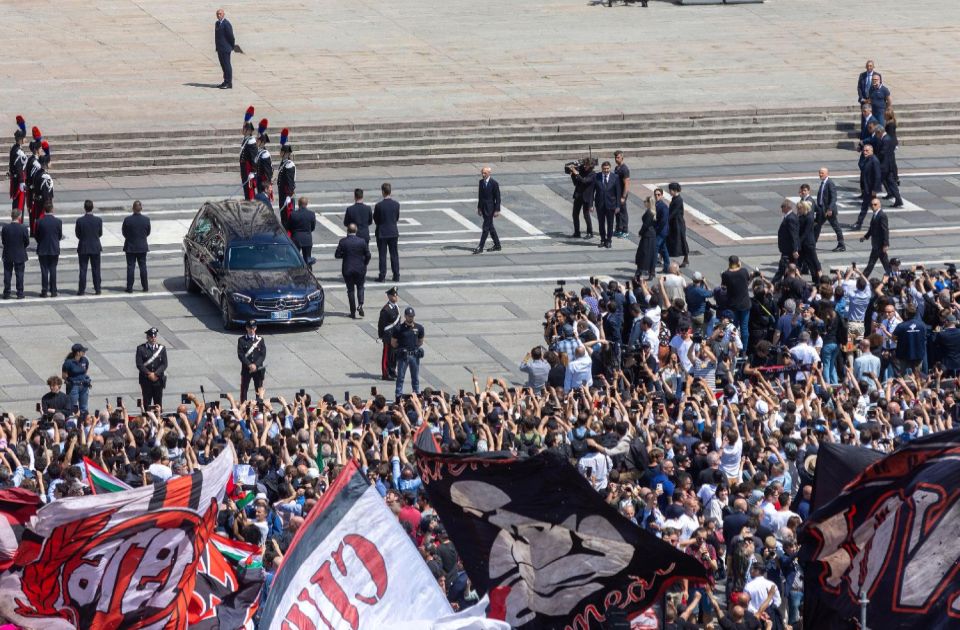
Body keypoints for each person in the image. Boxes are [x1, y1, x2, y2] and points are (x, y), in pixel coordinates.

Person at [334, 223, 371, 318]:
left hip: (347, 269)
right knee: (360, 287)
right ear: (356, 230)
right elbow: (368, 255)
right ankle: (360, 304)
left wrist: (345, 255)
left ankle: (353, 312)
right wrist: (365, 263)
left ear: (347, 231)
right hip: (360, 268)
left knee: (350, 290)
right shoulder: (362, 241)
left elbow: (337, 255)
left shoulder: (343, 242)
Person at [392, 306, 425, 401]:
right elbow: (393, 343)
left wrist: (414, 348)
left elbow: (420, 341)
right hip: (403, 356)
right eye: (409, 316)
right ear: (405, 316)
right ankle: (398, 395)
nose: (411, 318)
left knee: (415, 377)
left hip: (414, 355)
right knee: (400, 377)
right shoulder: (398, 328)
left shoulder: (419, 328)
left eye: (412, 316)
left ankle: (416, 394)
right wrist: (401, 349)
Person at [721, 256, 751, 348]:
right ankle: (744, 349)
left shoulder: (726, 274)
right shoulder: (744, 271)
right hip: (745, 304)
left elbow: (723, 287)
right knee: (744, 328)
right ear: (738, 262)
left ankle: (734, 347)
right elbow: (748, 281)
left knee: (733, 328)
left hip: (733, 305)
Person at [373, 182, 400, 283]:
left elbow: (375, 219)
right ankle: (396, 275)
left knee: (382, 255)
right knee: (394, 254)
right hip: (393, 232)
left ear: (383, 192)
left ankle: (382, 276)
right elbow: (396, 217)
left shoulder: (379, 206)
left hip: (382, 232)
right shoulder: (396, 204)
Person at [122, 200, 151, 292]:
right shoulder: (146, 220)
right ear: (141, 208)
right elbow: (148, 232)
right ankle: (145, 287)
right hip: (142, 246)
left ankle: (129, 287)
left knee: (130, 267)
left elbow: (124, 232)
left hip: (130, 246)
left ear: (133, 208)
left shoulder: (127, 220)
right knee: (143, 267)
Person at [75, 199, 102, 295]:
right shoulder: (98, 220)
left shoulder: (80, 221)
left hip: (83, 247)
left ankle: (81, 290)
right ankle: (98, 289)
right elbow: (100, 233)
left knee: (83, 269)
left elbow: (78, 234)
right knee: (96, 269)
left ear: (84, 208)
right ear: (92, 208)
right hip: (95, 247)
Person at [35, 202, 62, 297]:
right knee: (53, 269)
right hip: (54, 248)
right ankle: (53, 291)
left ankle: (44, 290)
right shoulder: (58, 221)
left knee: (44, 270)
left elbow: (36, 236)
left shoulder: (39, 221)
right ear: (52, 209)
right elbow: (59, 236)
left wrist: (41, 242)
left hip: (43, 248)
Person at [136, 327, 168, 408]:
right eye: (151, 337)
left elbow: (164, 364)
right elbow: (139, 364)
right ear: (147, 337)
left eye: (155, 337)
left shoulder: (161, 348)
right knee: (147, 402)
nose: (153, 339)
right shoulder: (141, 348)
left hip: (158, 380)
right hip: (146, 380)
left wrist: (156, 374)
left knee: (158, 402)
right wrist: (149, 374)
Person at [853, 143, 882, 230]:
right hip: (867, 187)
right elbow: (861, 166)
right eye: (864, 150)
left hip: (870, 188)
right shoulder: (867, 159)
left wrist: (874, 189)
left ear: (871, 151)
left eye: (867, 151)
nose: (864, 152)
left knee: (865, 206)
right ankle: (879, 222)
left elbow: (877, 176)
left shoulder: (874, 160)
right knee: (874, 206)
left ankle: (859, 224)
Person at [473, 166, 502, 254]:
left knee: (485, 228)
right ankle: (497, 245)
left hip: (490, 208)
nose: (483, 174)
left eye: (485, 173)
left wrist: (497, 210)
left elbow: (498, 197)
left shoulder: (494, 183)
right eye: (482, 173)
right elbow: (480, 196)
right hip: (483, 207)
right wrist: (479, 208)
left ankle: (480, 247)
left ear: (489, 173)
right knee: (490, 227)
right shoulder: (481, 182)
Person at [814, 167, 843, 251]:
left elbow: (834, 197)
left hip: (828, 211)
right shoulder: (823, 183)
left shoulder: (830, 183)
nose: (820, 175)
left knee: (836, 227)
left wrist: (830, 209)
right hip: (822, 210)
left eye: (822, 173)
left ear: (827, 174)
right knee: (816, 227)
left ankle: (841, 245)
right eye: (819, 173)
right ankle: (812, 244)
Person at [594, 160, 622, 249]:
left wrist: (618, 205)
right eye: (604, 169)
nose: (606, 170)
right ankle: (602, 239)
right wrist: (591, 204)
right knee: (601, 223)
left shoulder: (615, 177)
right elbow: (592, 191)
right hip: (600, 204)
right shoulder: (597, 176)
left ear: (610, 168)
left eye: (607, 169)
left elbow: (618, 192)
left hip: (611, 205)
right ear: (602, 169)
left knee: (610, 224)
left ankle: (609, 240)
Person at [1, 209, 28, 299]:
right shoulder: (23, 228)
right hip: (20, 253)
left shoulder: (5, 228)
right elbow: (26, 242)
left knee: (7, 274)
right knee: (20, 274)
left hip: (8, 253)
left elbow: (3, 241)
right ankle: (20, 293)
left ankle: (7, 292)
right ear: (19, 216)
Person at [237, 319, 266, 403]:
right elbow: (241, 355)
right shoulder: (242, 340)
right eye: (250, 328)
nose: (252, 330)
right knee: (244, 389)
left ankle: (259, 405)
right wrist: (249, 364)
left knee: (259, 389)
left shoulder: (260, 340)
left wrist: (255, 365)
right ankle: (243, 406)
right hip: (246, 369)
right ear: (247, 328)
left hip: (258, 369)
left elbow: (262, 355)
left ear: (256, 328)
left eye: (253, 328)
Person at [874, 124, 902, 207]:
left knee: (874, 181)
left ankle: (871, 199)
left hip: (884, 166)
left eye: (876, 133)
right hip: (887, 165)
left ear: (879, 132)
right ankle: (898, 199)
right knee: (891, 183)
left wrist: (874, 158)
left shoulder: (886, 140)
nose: (876, 135)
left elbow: (883, 153)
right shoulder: (886, 138)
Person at [861, 197, 890, 277]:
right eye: (871, 204)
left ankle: (863, 278)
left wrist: (885, 244)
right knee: (878, 263)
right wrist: (865, 237)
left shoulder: (882, 215)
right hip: (875, 245)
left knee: (875, 263)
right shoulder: (875, 215)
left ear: (879, 205)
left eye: (875, 204)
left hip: (880, 245)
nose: (873, 206)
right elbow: (872, 229)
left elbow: (885, 230)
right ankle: (892, 276)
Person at [773, 199, 799, 284]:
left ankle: (773, 284)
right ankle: (787, 282)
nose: (781, 209)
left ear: (787, 207)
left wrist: (795, 249)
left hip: (788, 249)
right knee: (788, 268)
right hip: (787, 248)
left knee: (782, 268)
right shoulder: (789, 217)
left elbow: (793, 235)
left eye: (782, 207)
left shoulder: (790, 218)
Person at [378, 287, 401, 380]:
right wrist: (381, 336)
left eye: (396, 295)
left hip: (395, 336)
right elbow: (381, 324)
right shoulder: (386, 310)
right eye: (394, 295)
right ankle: (385, 373)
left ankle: (392, 370)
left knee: (394, 355)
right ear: (389, 296)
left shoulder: (396, 307)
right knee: (387, 355)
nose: (396, 297)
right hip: (388, 336)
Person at [568, 159, 595, 239]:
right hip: (578, 195)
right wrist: (573, 174)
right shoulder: (582, 171)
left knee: (586, 215)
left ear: (591, 166)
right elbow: (576, 183)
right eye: (584, 165)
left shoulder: (593, 174)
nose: (584, 166)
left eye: (586, 165)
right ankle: (577, 232)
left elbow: (584, 181)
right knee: (575, 214)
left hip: (587, 197)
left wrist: (576, 174)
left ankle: (590, 232)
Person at [61, 342, 91, 414]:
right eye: (82, 351)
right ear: (78, 353)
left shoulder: (85, 360)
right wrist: (71, 381)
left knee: (84, 407)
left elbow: (85, 371)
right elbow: (64, 376)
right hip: (73, 387)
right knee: (72, 407)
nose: (84, 352)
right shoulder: (68, 363)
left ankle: (84, 422)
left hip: (84, 385)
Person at [796, 201, 820, 284]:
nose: (798, 210)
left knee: (813, 261)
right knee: (799, 261)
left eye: (799, 208)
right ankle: (797, 278)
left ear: (804, 208)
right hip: (803, 243)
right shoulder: (802, 216)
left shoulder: (809, 217)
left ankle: (817, 279)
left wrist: (798, 242)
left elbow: (806, 232)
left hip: (808, 243)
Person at [288, 197, 316, 266]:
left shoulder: (293, 214)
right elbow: (312, 227)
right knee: (307, 260)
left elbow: (289, 226)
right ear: (306, 204)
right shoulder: (311, 214)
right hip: (307, 239)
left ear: (298, 204)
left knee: (295, 259)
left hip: (296, 238)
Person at [666, 182, 689, 268]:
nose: (669, 191)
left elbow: (673, 212)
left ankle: (686, 258)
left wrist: (666, 219)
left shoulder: (678, 200)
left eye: (670, 190)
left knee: (682, 239)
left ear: (675, 190)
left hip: (678, 223)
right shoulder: (675, 198)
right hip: (674, 222)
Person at [635, 196, 657, 280]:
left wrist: (640, 232)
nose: (644, 202)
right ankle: (651, 271)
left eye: (645, 201)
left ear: (649, 203)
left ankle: (640, 271)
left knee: (643, 253)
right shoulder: (653, 212)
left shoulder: (649, 213)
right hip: (651, 235)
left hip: (647, 236)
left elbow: (645, 225)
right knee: (651, 254)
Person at [276, 135, 296, 227]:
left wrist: (288, 196)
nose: (280, 153)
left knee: (287, 217)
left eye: (281, 151)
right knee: (283, 215)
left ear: (286, 153)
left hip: (286, 194)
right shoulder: (284, 163)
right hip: (282, 193)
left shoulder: (289, 165)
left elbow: (290, 182)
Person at [8, 120, 26, 215]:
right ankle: (18, 221)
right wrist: (22, 181)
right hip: (19, 180)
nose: (25, 140)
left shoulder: (14, 148)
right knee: (19, 202)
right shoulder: (18, 151)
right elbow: (19, 167)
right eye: (24, 138)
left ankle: (16, 218)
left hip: (15, 179)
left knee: (16, 201)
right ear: (20, 139)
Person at [214, 8, 235, 89]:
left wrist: (231, 46)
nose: (219, 15)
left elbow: (231, 37)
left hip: (226, 48)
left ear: (223, 14)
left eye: (220, 14)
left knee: (227, 65)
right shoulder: (217, 23)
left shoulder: (226, 24)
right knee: (223, 65)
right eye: (217, 14)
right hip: (220, 48)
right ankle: (225, 81)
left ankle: (229, 83)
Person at [240, 107, 257, 201]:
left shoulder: (251, 142)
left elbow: (254, 158)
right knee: (246, 190)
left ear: (249, 131)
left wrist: (253, 172)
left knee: (250, 192)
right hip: (244, 169)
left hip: (248, 170)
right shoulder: (246, 140)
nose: (243, 130)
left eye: (244, 129)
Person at [613, 150, 631, 238]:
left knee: (623, 212)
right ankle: (618, 229)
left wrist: (623, 196)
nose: (616, 159)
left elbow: (627, 184)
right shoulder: (617, 168)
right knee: (617, 212)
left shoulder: (624, 169)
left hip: (622, 194)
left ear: (622, 158)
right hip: (617, 193)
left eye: (618, 157)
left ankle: (625, 230)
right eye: (615, 157)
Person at [255, 120, 273, 198]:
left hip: (263, 182)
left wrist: (266, 184)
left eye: (258, 140)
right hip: (259, 180)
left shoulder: (265, 154)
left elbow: (267, 171)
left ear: (262, 142)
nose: (256, 141)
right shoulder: (259, 152)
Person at [654, 188, 670, 272]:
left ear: (662, 195)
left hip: (661, 231)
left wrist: (657, 229)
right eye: (655, 194)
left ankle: (651, 268)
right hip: (661, 231)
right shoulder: (656, 205)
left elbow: (663, 221)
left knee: (655, 248)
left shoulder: (663, 207)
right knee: (663, 249)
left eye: (658, 194)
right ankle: (667, 267)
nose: (657, 196)